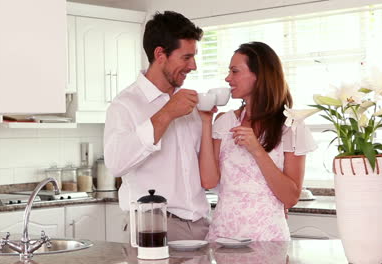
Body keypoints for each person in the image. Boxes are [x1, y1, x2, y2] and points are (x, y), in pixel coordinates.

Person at [103, 11, 210, 241]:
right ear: (160, 54)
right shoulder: (125, 105)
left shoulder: (190, 105)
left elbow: (205, 168)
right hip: (152, 227)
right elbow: (116, 164)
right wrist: (167, 113)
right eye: (186, 57)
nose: (194, 66)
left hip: (200, 226)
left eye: (194, 57)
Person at [199, 41, 317, 241]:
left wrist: (257, 150)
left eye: (235, 71)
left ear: (259, 75)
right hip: (223, 238)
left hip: (268, 240)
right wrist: (205, 122)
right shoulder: (224, 121)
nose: (228, 78)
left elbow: (290, 198)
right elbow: (208, 181)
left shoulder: (291, 126)